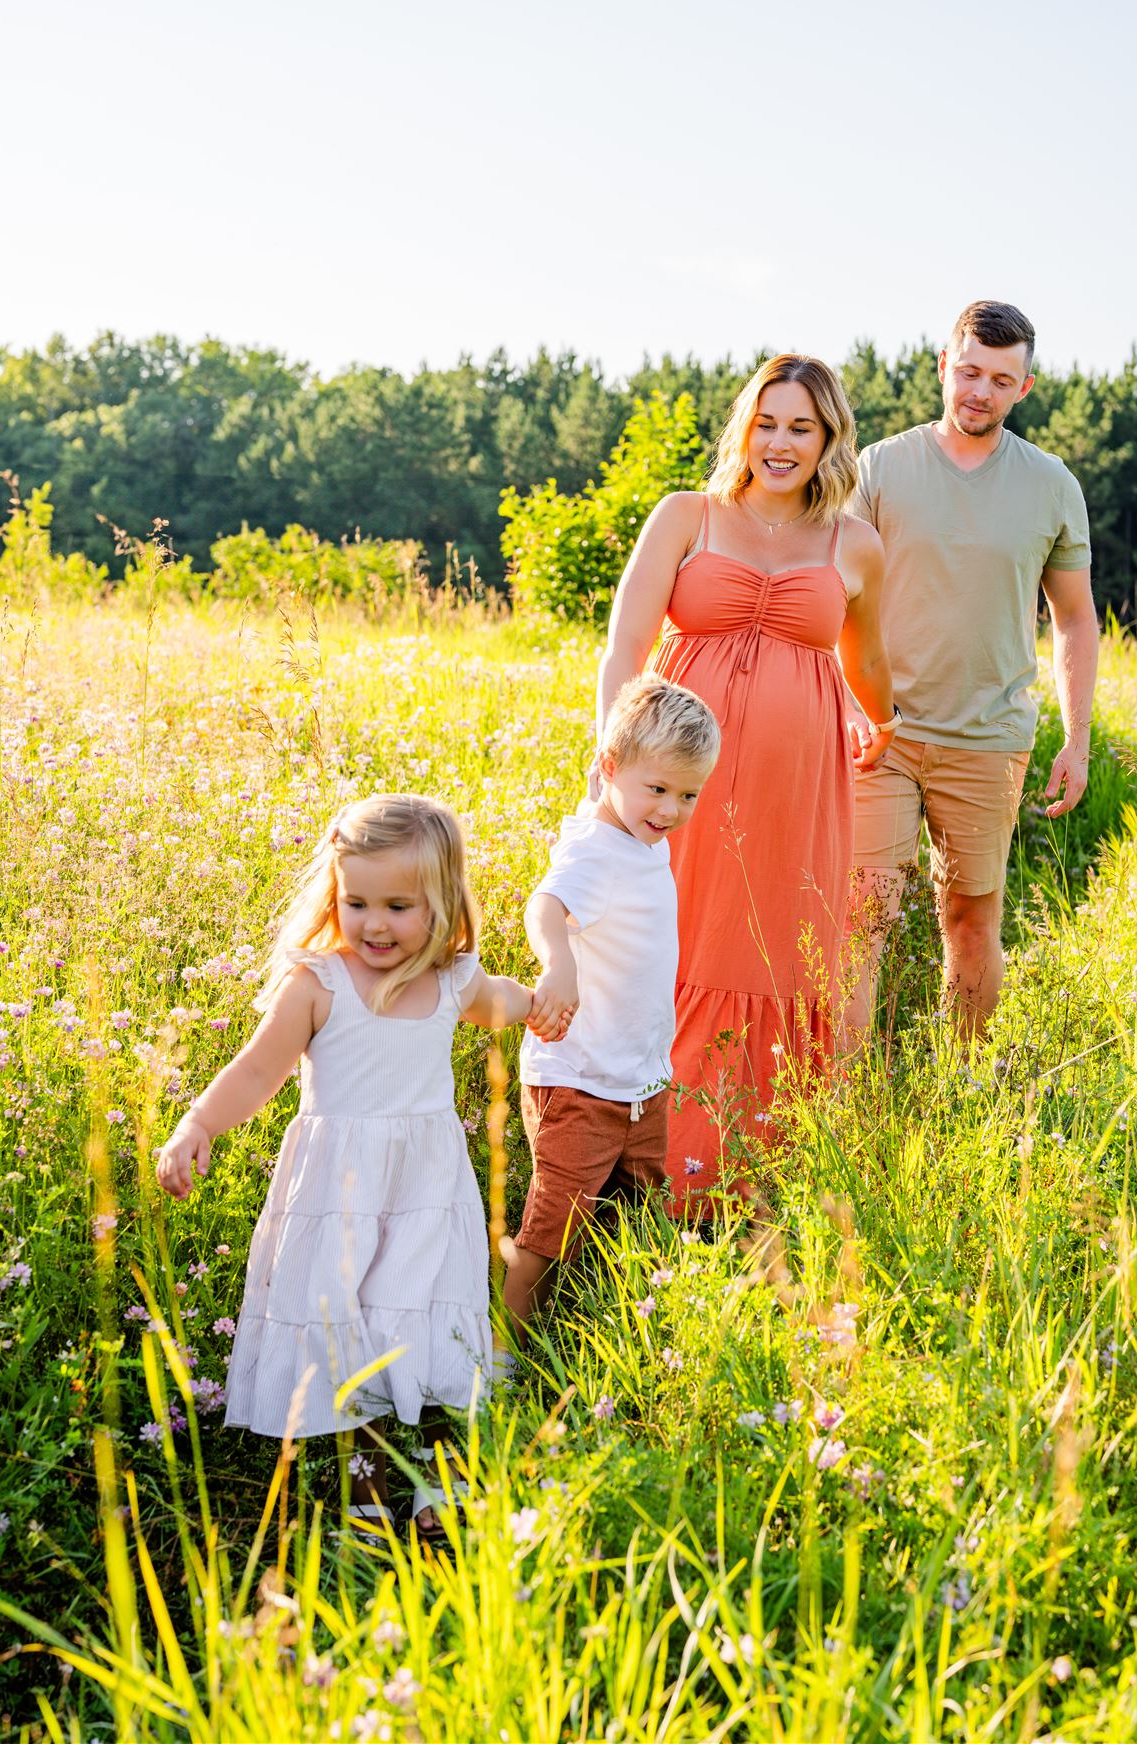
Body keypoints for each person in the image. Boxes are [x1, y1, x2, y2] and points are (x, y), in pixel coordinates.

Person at [154, 792, 540, 1540]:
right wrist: (198, 1123)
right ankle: (361, 1478)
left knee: (426, 1313)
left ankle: (437, 1477)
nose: (373, 923)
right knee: (348, 1324)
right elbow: (256, 1072)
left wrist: (547, 998)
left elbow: (503, 1003)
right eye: (355, 901)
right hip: (337, 1188)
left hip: (426, 1187)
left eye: (398, 905)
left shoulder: (453, 980)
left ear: (440, 902)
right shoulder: (318, 984)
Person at [595, 354, 896, 1201]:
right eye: (766, 422)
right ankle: (635, 1170)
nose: (779, 442)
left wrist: (885, 721)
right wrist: (612, 760)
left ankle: (742, 1181)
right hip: (673, 784)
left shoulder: (854, 544)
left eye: (801, 426)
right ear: (744, 426)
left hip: (797, 793)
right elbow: (624, 646)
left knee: (773, 955)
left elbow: (868, 662)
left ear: (829, 437)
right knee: (669, 942)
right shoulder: (686, 516)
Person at [846, 299, 1099, 1041]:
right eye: (967, 372)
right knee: (863, 915)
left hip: (988, 739)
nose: (978, 391)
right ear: (941, 368)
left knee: (969, 916)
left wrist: (1075, 741)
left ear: (1023, 388)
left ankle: (965, 1088)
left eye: (998, 378)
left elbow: (1075, 618)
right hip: (879, 732)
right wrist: (842, 702)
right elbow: (838, 595)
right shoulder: (881, 466)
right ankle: (838, 1101)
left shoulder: (1051, 484)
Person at [501, 675, 721, 1347]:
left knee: (638, 1218)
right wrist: (558, 965)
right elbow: (547, 904)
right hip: (580, 1078)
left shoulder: (636, 838)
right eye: (656, 789)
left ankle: (628, 1332)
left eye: (688, 794)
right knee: (554, 1223)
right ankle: (504, 1350)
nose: (670, 810)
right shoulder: (595, 850)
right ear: (608, 769)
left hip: (637, 1080)